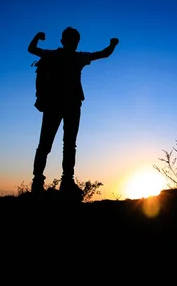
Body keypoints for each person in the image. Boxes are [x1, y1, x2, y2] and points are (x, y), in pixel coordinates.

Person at [27, 27, 119, 199]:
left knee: (47, 144)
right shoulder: (77, 57)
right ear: (73, 42)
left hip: (54, 105)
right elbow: (103, 54)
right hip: (70, 106)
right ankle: (65, 182)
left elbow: (31, 49)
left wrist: (37, 37)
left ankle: (39, 181)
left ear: (63, 41)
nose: (75, 43)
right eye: (74, 40)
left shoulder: (52, 55)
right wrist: (113, 44)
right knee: (67, 144)